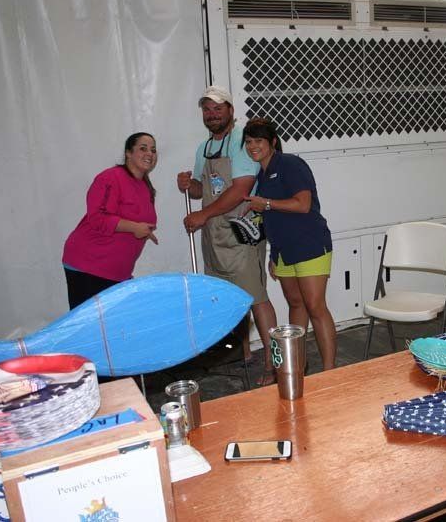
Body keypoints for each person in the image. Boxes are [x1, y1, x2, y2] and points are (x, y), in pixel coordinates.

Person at [177, 86, 277, 381]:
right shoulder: (203, 148)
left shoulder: (241, 144)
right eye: (207, 109)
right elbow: (200, 190)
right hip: (214, 236)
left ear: (230, 111)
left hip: (240, 231)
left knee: (256, 298)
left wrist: (203, 214)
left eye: (218, 108)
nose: (212, 114)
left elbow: (240, 189)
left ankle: (274, 365)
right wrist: (187, 184)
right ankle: (242, 354)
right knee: (228, 298)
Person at [242, 118, 337, 371]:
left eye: (258, 141)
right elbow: (274, 219)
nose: (253, 146)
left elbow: (303, 204)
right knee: (295, 305)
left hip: (310, 245)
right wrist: (273, 254)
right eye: (249, 142)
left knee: (316, 307)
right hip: (284, 252)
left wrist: (267, 204)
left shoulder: (291, 164)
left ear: (272, 141)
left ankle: (330, 372)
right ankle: (297, 365)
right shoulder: (261, 174)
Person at [62, 132, 158, 309]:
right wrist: (134, 227)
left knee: (113, 330)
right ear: (128, 153)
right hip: (89, 266)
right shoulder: (111, 178)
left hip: (115, 273)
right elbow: (97, 217)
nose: (149, 154)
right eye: (143, 148)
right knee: (89, 330)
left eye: (153, 150)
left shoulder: (145, 187)